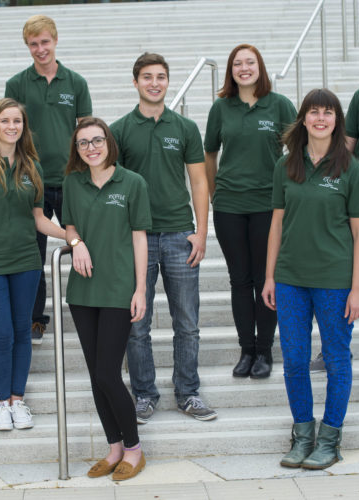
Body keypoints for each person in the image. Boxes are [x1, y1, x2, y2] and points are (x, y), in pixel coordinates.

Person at [262, 88, 359, 470]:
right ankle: (302, 436)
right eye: (313, 112)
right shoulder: (286, 165)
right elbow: (276, 224)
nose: (320, 118)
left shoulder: (351, 169)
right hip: (291, 279)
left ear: (336, 120)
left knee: (337, 360)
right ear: (303, 119)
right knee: (293, 360)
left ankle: (330, 439)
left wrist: (357, 289)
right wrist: (270, 276)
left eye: (328, 112)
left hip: (335, 282)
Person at [110, 52, 216, 424]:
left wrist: (201, 232)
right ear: (135, 82)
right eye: (147, 77)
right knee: (137, 323)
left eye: (161, 77)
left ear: (167, 82)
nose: (154, 83)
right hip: (137, 237)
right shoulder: (120, 130)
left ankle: (188, 392)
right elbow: (112, 186)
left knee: (186, 320)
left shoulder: (184, 128)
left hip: (178, 234)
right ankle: (143, 395)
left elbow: (199, 181)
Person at [0, 98, 65, 431]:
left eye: (17, 121)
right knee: (1, 334)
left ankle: (18, 401)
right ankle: (0, 403)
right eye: (5, 120)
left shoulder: (32, 165)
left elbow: (38, 218)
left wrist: (72, 237)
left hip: (26, 263)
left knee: (21, 332)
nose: (11, 127)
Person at [63, 117, 151, 481]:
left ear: (108, 143)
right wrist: (75, 243)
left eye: (97, 140)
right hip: (83, 292)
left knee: (107, 373)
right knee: (96, 375)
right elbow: (69, 225)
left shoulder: (132, 183)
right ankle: (114, 448)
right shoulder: (72, 182)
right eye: (83, 143)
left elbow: (139, 238)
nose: (91, 148)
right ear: (77, 150)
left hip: (118, 290)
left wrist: (141, 288)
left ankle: (134, 449)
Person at [204, 44, 297, 379]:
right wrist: (216, 194)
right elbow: (210, 153)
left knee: (264, 279)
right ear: (231, 70)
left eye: (250, 62)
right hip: (229, 206)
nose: (244, 68)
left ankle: (265, 351)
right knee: (239, 280)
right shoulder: (221, 108)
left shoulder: (279, 104)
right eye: (238, 64)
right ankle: (246, 350)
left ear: (261, 67)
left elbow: (299, 148)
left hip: (267, 207)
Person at [5, 15, 92, 344]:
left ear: (55, 41)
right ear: (27, 46)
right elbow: (10, 129)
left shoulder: (76, 83)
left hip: (70, 179)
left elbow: (87, 134)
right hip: (31, 181)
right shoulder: (17, 84)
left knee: (82, 242)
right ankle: (35, 318)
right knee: (33, 253)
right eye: (33, 44)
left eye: (44, 42)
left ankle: (89, 305)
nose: (40, 49)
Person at [310, 37, 359, 413]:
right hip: (352, 212)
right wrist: (329, 189)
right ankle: (334, 346)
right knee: (340, 287)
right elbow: (346, 148)